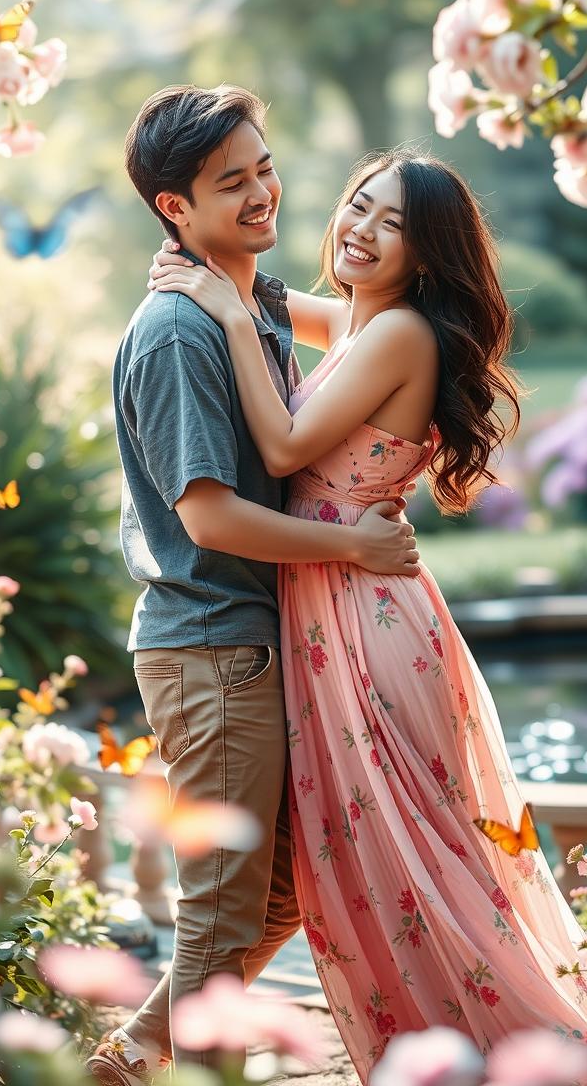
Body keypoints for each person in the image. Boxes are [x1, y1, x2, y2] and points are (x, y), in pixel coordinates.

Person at [147, 147, 587, 1081]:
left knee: (417, 862)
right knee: (377, 856)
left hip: (367, 614)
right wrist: (214, 264)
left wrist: (227, 310)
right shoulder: (365, 323)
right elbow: (282, 307)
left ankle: (529, 1056)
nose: (360, 228)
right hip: (338, 605)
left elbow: (281, 440)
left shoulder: (400, 337)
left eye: (390, 224)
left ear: (425, 255)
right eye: (357, 204)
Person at [89, 85, 421, 1086]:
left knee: (275, 888)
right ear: (173, 210)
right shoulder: (182, 333)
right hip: (212, 643)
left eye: (264, 167)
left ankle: (129, 1058)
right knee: (225, 909)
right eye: (230, 183)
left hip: (248, 637)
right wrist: (352, 550)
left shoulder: (244, 304)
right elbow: (210, 517)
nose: (262, 193)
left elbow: (353, 336)